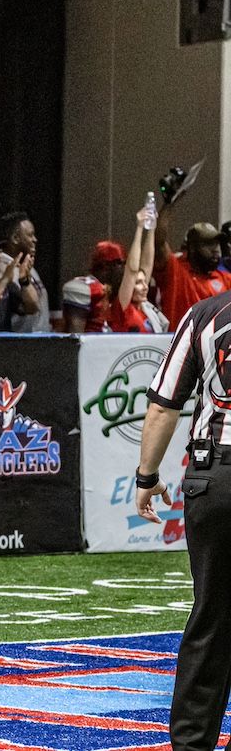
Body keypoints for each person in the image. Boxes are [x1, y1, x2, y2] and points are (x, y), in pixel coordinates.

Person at [135, 287, 231, 750]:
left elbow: (162, 405)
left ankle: (191, 745)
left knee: (211, 614)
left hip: (216, 476)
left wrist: (146, 476)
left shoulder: (203, 314)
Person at [154, 205, 231, 327]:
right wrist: (168, 203)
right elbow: (158, 243)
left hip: (213, 344)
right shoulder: (175, 271)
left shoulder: (226, 279)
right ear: (192, 248)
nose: (215, 250)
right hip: (181, 343)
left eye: (217, 244)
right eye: (208, 244)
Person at [110, 205, 169, 333]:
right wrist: (140, 227)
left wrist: (151, 228)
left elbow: (147, 263)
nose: (145, 286)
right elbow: (131, 271)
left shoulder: (145, 308)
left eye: (144, 281)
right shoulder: (122, 308)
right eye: (137, 283)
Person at [0, 211, 50, 333]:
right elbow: (29, 307)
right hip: (19, 343)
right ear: (15, 238)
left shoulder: (27, 266)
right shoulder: (2, 269)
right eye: (30, 235)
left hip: (41, 340)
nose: (35, 240)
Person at [62, 240, 126, 332]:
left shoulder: (109, 291)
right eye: (121, 264)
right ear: (106, 265)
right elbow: (76, 337)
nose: (124, 270)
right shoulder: (87, 288)